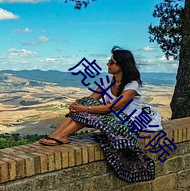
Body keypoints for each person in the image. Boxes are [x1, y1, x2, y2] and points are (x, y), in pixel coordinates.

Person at [39, 46, 156, 182]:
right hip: (111, 117)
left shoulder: (132, 84)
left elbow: (114, 107)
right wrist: (77, 106)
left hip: (127, 122)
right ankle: (57, 134)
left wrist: (84, 108)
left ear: (122, 65)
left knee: (87, 109)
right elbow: (92, 99)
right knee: (84, 102)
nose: (108, 64)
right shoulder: (107, 81)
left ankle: (62, 135)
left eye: (112, 62)